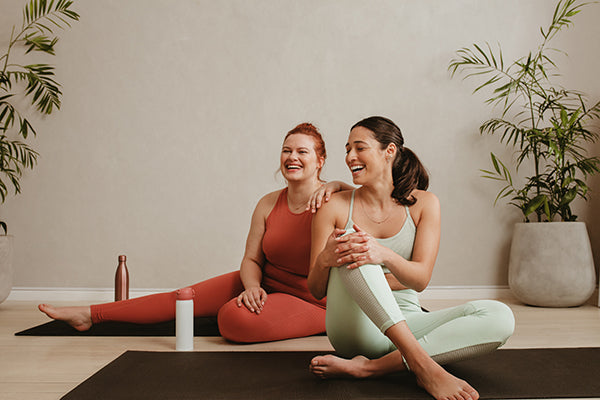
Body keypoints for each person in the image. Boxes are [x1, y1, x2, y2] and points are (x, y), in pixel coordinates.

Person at [39, 122, 351, 343]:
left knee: (232, 319)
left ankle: (313, 324)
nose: (292, 157)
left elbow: (367, 203)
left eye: (302, 152)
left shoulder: (332, 199)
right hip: (267, 282)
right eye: (286, 151)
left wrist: (341, 184)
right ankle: (89, 315)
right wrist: (252, 286)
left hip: (312, 301)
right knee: (182, 298)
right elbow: (251, 259)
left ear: (320, 161)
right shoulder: (268, 203)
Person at [307, 116, 515, 400]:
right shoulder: (334, 206)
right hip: (354, 328)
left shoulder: (425, 204)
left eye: (359, 148)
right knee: (356, 250)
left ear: (389, 151)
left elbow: (419, 280)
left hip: (409, 321)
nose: (349, 157)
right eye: (347, 150)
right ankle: (423, 366)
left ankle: (371, 368)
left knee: (499, 317)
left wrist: (384, 255)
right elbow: (316, 289)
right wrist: (325, 261)